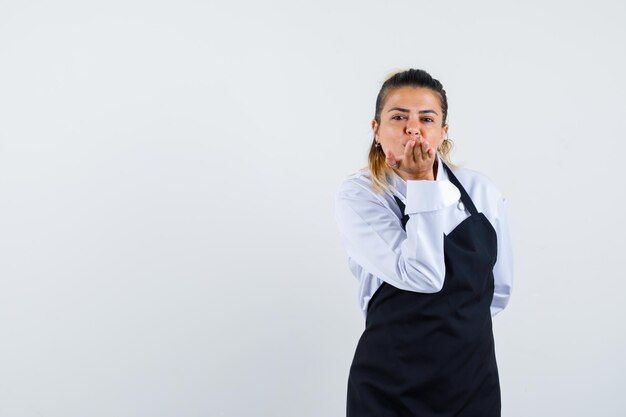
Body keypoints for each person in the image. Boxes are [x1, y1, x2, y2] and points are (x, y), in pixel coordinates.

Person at [335, 68, 513, 417]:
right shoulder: (360, 196)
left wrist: (454, 334)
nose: (412, 128)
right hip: (389, 388)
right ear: (376, 130)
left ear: (443, 132)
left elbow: (499, 290)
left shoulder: (480, 191)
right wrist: (421, 182)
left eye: (426, 118)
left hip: (471, 385)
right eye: (398, 116)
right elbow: (423, 276)